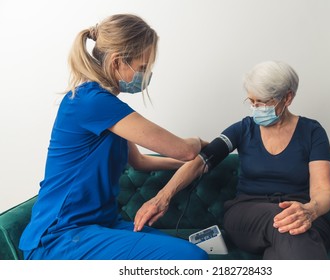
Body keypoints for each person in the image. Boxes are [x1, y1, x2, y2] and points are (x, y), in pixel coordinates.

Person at [19, 14, 208, 260]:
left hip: (101, 225)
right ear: (118, 61)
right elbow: (184, 149)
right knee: (191, 259)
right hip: (60, 236)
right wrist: (199, 145)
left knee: (192, 253)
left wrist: (188, 166)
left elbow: (139, 161)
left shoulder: (104, 105)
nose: (146, 75)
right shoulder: (92, 101)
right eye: (142, 68)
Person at [134, 60, 330, 260]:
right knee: (285, 223)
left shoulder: (312, 132)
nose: (255, 108)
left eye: (262, 102)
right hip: (247, 214)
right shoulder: (243, 129)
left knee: (292, 233)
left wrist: (309, 210)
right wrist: (162, 198)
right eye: (251, 101)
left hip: (301, 212)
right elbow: (200, 163)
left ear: (288, 97)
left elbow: (322, 191)